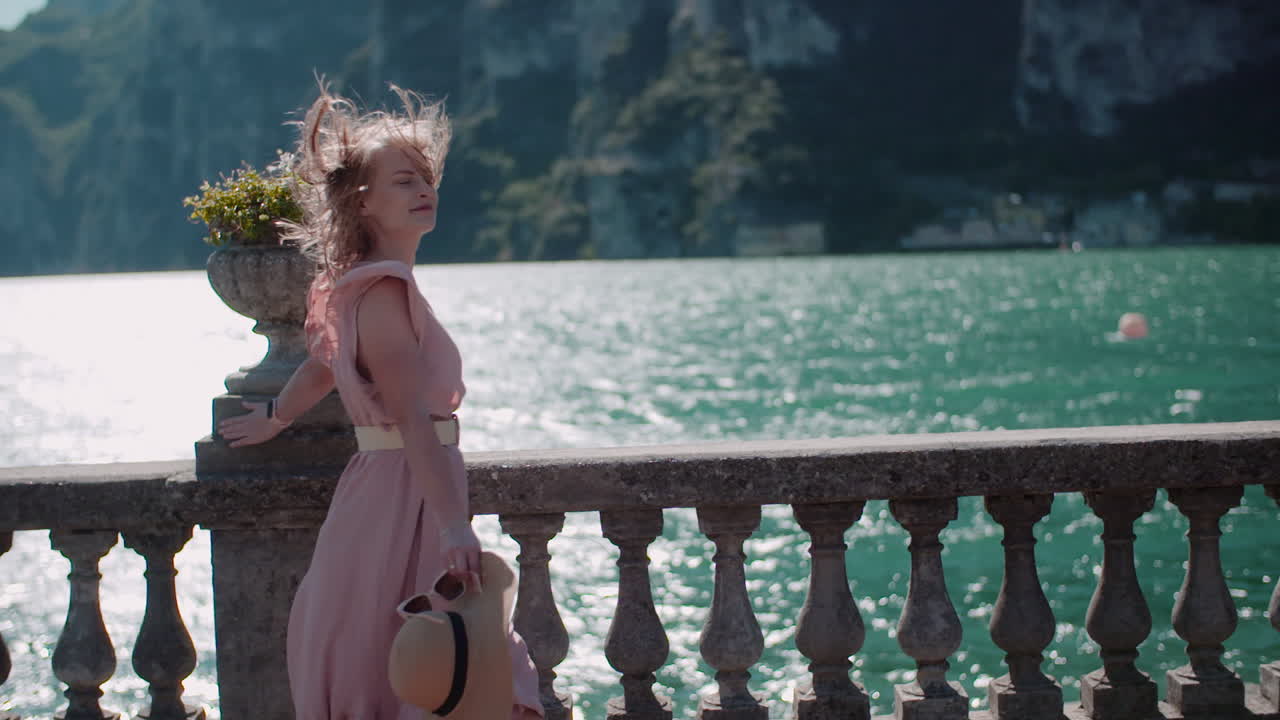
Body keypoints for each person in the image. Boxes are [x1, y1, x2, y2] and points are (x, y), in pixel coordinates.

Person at [217, 81, 544, 720]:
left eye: (426, 177)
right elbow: (412, 420)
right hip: (406, 494)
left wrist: (276, 418)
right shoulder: (384, 292)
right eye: (403, 181)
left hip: (382, 489)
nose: (424, 189)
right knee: (451, 660)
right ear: (362, 200)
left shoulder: (360, 288)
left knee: (399, 656)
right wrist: (453, 526)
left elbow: (321, 367)